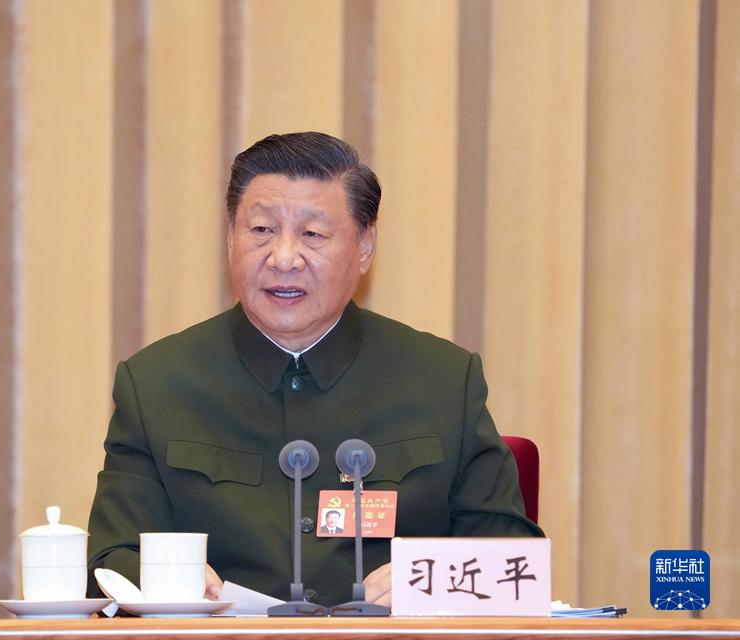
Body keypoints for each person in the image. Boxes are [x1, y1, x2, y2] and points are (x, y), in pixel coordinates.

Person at [87, 131, 544, 608]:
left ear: (365, 246)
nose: (283, 258)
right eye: (261, 230)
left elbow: (514, 559)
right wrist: (165, 579)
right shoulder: (156, 385)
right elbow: (111, 560)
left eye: (312, 234)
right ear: (230, 238)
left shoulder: (444, 380)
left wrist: (426, 579)